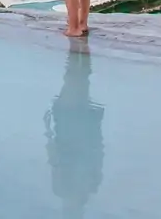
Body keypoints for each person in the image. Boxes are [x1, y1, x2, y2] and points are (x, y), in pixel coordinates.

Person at [44, 42, 105, 218]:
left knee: (77, 82)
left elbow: (54, 157)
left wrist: (48, 130)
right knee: (80, 82)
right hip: (78, 128)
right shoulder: (90, 185)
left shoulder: (63, 188)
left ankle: (78, 51)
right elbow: (98, 154)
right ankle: (79, 51)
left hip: (71, 127)